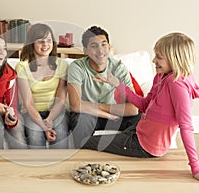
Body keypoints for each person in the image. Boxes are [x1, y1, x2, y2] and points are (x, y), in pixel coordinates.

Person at [84, 32, 199, 180]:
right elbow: (144, 105)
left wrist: (195, 167)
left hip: (144, 146)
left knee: (88, 142)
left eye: (159, 57)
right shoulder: (161, 76)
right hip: (139, 131)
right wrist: (117, 84)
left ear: (174, 59)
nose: (153, 60)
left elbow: (186, 126)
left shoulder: (177, 85)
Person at [67, 26, 141, 149]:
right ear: (85, 50)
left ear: (109, 47)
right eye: (94, 46)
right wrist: (108, 114)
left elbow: (133, 109)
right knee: (80, 120)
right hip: (87, 114)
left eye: (103, 44)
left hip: (113, 114)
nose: (100, 51)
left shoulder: (118, 68)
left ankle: (118, 150)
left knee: (141, 120)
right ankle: (82, 158)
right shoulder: (77, 67)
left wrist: (104, 110)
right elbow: (75, 105)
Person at [15, 23, 69, 149]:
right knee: (35, 136)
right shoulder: (22, 67)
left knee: (60, 132)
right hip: (31, 112)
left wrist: (50, 119)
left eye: (49, 40)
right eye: (40, 41)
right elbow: (28, 103)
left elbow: (61, 98)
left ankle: (60, 168)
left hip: (55, 111)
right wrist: (44, 126)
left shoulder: (62, 65)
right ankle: (38, 168)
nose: (45, 45)